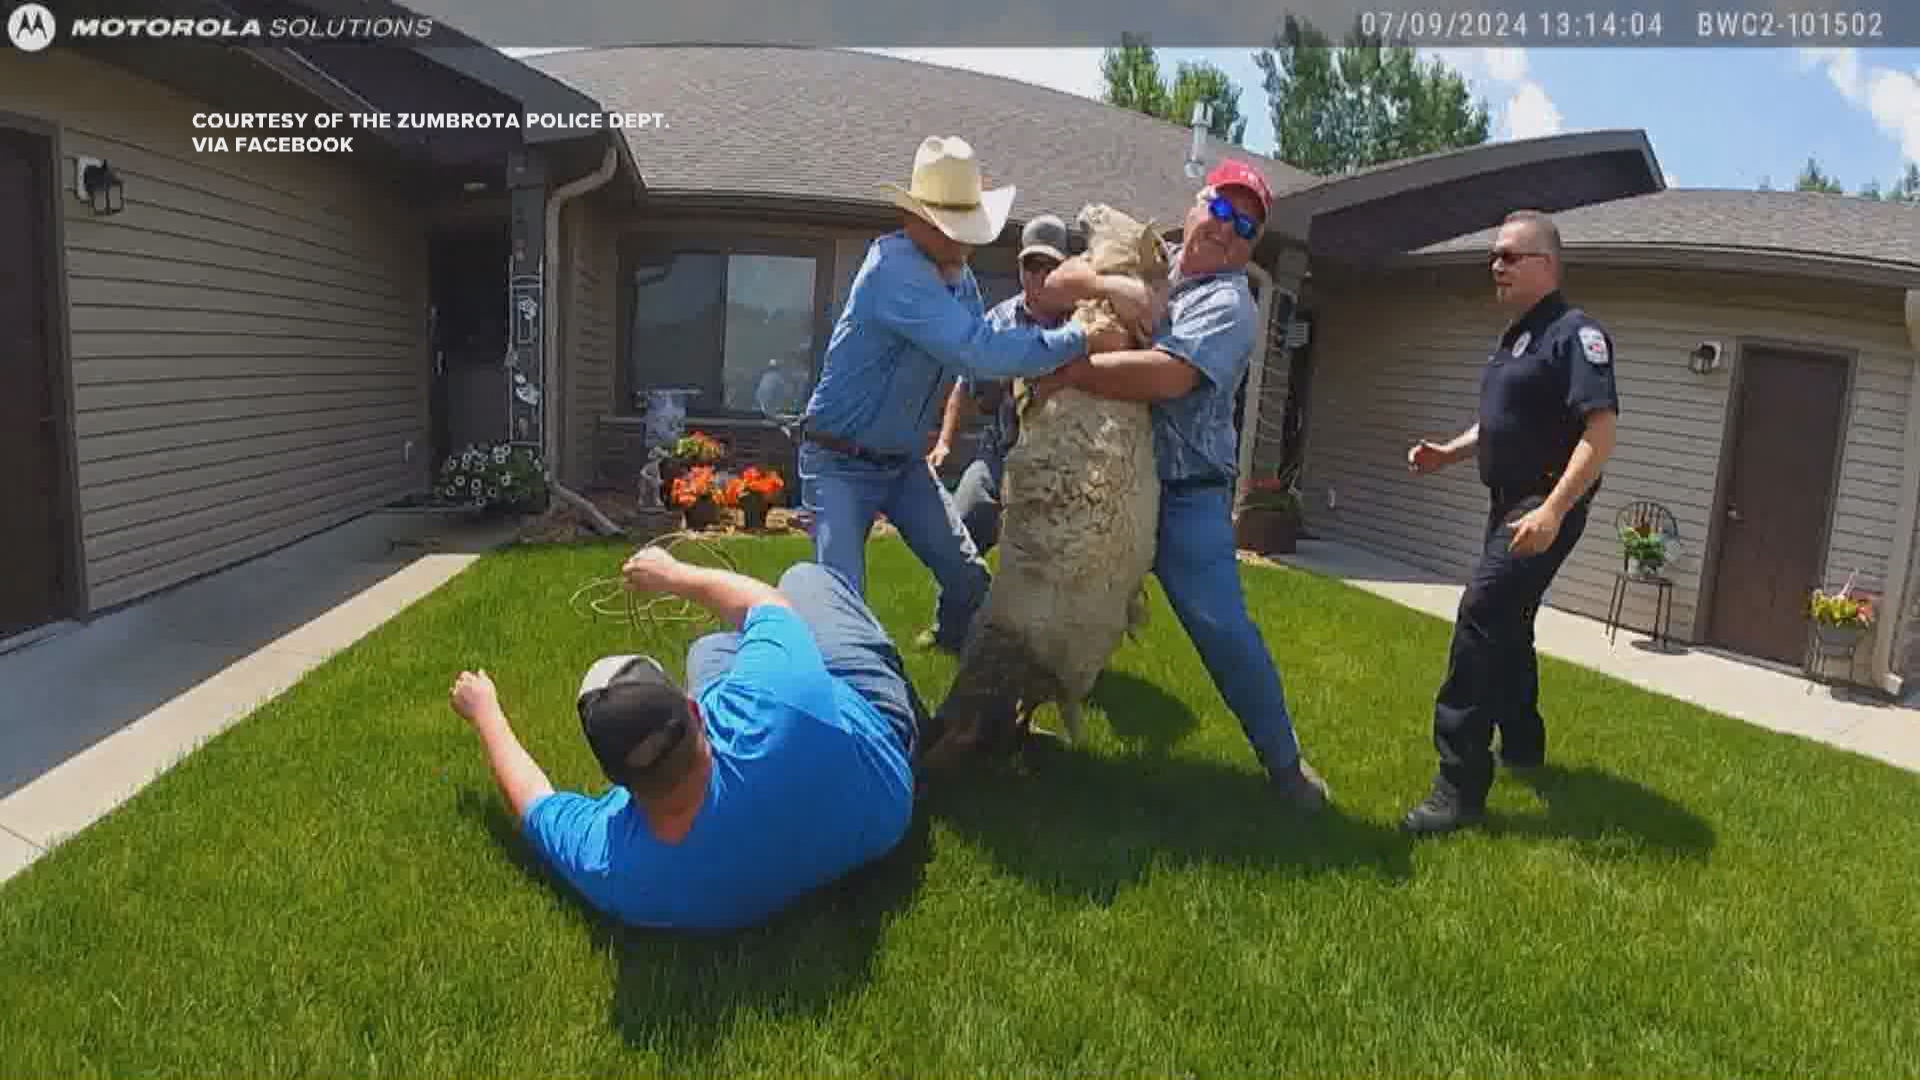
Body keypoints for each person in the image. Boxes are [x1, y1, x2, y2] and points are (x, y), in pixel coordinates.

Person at [1027, 159, 1328, 809]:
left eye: (1245, 226)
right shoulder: (1148, 256)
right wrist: (1120, 286)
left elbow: (1169, 376)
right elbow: (1055, 284)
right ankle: (1006, 727)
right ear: (1194, 207)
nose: (1228, 230)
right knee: (1048, 602)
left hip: (1184, 495)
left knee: (1221, 627)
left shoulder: (1232, 304)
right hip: (1105, 478)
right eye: (1221, 210)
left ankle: (1285, 766)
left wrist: (1072, 371)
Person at [446, 549, 929, 932]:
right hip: (881, 755)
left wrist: (484, 709)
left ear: (612, 778)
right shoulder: (769, 704)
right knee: (804, 580)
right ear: (696, 710)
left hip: (860, 829)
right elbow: (767, 605)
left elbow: (531, 800)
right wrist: (673, 574)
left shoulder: (616, 866)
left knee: (710, 649)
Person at [797, 135, 1146, 654]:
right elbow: (977, 350)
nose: (968, 242)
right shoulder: (893, 270)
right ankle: (851, 717)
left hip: (903, 466)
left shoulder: (961, 281)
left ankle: (979, 701)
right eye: (955, 228)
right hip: (838, 461)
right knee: (839, 611)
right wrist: (1082, 337)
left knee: (970, 583)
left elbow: (983, 355)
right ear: (920, 220)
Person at [1399, 208, 1620, 835]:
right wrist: (1451, 451)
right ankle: (1524, 744)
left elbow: (1600, 432)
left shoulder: (1575, 336)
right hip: (1510, 505)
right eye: (1493, 256)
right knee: (1509, 621)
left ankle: (1458, 787)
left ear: (1545, 265)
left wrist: (1553, 511)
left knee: (1480, 616)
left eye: (1507, 256)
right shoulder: (1518, 338)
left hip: (1543, 505)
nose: (1494, 266)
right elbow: (1501, 425)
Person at [927, 214, 1076, 562]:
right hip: (1001, 452)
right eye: (1031, 265)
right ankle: (951, 616)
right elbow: (965, 383)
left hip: (1062, 460)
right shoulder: (997, 320)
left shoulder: (1083, 320)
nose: (1039, 275)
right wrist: (945, 442)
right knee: (961, 532)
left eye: (1049, 266)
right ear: (1020, 267)